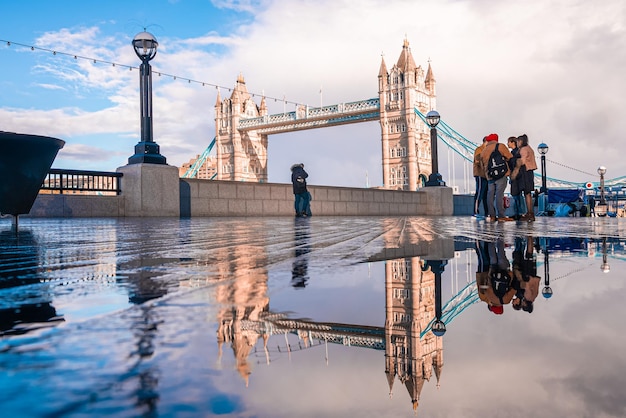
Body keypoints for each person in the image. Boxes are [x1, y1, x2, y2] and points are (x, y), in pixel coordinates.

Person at [480, 133, 514, 222]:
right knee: (499, 194)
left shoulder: (484, 150)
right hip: (501, 174)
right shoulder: (500, 146)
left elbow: (482, 164)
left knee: (490, 195)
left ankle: (492, 215)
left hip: (490, 176)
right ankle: (501, 216)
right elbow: (510, 157)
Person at [516, 134, 538, 222]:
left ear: (520, 141)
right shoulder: (529, 148)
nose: (517, 143)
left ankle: (529, 213)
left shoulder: (523, 149)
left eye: (518, 141)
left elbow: (523, 161)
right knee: (528, 193)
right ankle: (530, 213)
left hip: (525, 171)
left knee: (527, 193)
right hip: (530, 171)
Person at [507, 136, 526, 220]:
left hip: (516, 176)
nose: (507, 144)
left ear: (512, 142)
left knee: (517, 195)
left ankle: (519, 213)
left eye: (508, 142)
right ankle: (518, 213)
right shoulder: (514, 153)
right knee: (516, 195)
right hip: (515, 176)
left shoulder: (516, 153)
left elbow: (516, 165)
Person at [473, 137, 489, 217]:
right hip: (480, 174)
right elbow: (477, 161)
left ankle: (487, 212)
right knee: (479, 193)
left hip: (486, 175)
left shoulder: (486, 150)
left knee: (485, 194)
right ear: (486, 142)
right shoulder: (479, 150)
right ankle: (476, 211)